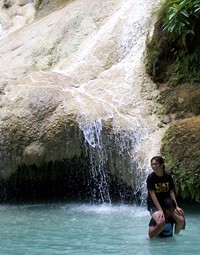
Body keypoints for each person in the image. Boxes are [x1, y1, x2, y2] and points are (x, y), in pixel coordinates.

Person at [146, 156, 184, 229]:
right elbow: (152, 195)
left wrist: (176, 206)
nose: (153, 166)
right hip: (153, 204)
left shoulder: (168, 177)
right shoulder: (151, 178)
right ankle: (153, 237)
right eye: (152, 164)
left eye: (155, 164)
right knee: (161, 222)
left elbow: (172, 192)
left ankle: (174, 237)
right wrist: (160, 210)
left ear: (162, 164)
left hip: (167, 203)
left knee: (181, 220)